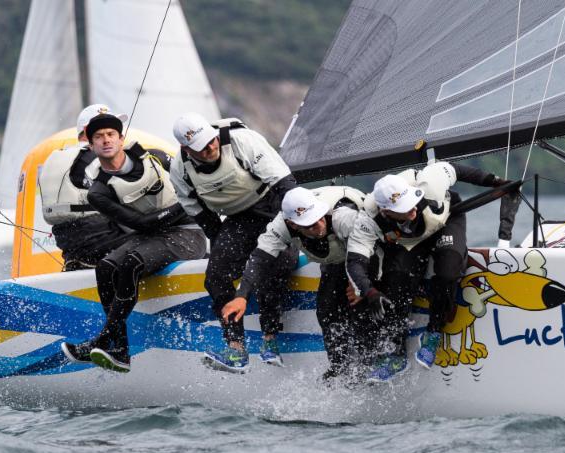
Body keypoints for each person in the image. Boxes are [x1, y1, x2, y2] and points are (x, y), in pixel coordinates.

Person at [61, 112, 207, 372]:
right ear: (91, 146)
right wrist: (182, 206)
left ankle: (106, 339)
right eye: (98, 137)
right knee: (106, 267)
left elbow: (194, 183)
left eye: (110, 135)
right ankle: (119, 349)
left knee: (131, 263)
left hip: (187, 232)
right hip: (151, 232)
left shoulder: (156, 158)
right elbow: (142, 225)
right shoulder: (98, 191)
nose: (106, 140)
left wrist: (185, 207)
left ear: (121, 138)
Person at [346, 161, 508, 382]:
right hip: (409, 240)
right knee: (397, 277)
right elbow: (355, 261)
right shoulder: (367, 218)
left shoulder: (430, 181)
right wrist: (369, 292)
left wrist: (495, 181)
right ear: (385, 211)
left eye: (411, 202)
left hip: (445, 222)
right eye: (403, 208)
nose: (412, 209)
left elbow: (456, 169)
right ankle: (396, 353)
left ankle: (433, 332)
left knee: (448, 271)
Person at [169, 112, 298, 373]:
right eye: (201, 148)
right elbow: (197, 210)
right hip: (237, 219)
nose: (210, 149)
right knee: (215, 276)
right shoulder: (180, 168)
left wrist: (292, 226)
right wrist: (221, 245)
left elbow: (286, 185)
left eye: (211, 141)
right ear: (185, 149)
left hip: (272, 206)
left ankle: (270, 338)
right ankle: (236, 349)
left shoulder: (243, 141)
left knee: (277, 262)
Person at [221, 186, 370, 381]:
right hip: (336, 259)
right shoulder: (280, 226)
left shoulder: (343, 218)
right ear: (292, 224)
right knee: (326, 311)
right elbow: (258, 260)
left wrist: (360, 282)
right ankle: (340, 369)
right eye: (309, 224)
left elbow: (375, 245)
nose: (318, 226)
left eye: (319, 217)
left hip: (370, 252)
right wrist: (241, 296)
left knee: (363, 302)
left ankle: (375, 360)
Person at [37, 104, 131, 270]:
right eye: (106, 129)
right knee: (165, 238)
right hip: (104, 239)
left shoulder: (60, 157)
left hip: (70, 244)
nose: (110, 137)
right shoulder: (97, 158)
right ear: (90, 131)